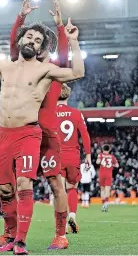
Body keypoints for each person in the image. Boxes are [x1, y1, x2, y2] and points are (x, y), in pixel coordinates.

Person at [0, 0, 84, 254]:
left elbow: (69, 61)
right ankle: (10, 234)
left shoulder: (49, 69)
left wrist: (63, 31)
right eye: (29, 39)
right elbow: (13, 45)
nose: (33, 43)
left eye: (39, 41)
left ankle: (59, 235)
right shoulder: (15, 64)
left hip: (44, 135)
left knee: (55, 184)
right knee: (7, 186)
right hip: (15, 134)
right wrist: (19, 18)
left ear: (48, 48)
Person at [56, 84, 91, 233]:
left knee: (59, 191)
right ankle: (72, 215)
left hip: (56, 155)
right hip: (73, 155)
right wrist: (88, 154)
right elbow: (85, 134)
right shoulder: (76, 113)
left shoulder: (49, 113)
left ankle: (62, 225)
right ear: (68, 96)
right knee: (72, 188)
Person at [96, 144, 119, 212]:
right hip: (109, 174)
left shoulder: (100, 155)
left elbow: (97, 162)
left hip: (102, 174)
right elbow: (117, 165)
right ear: (109, 150)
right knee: (107, 190)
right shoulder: (112, 156)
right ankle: (106, 204)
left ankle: (103, 204)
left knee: (102, 190)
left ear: (103, 149)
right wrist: (112, 164)